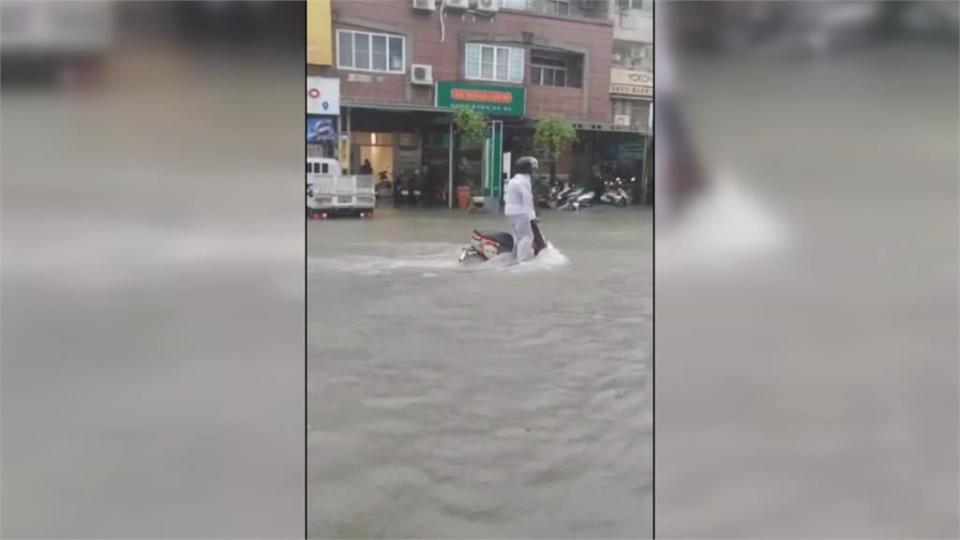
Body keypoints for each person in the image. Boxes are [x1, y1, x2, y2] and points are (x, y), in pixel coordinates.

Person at [504, 156, 538, 262]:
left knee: (518, 236)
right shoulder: (524, 181)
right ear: (527, 169)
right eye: (532, 168)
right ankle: (521, 261)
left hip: (510, 211)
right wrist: (532, 217)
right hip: (520, 212)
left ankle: (513, 257)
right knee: (527, 236)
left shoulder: (514, 180)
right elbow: (527, 199)